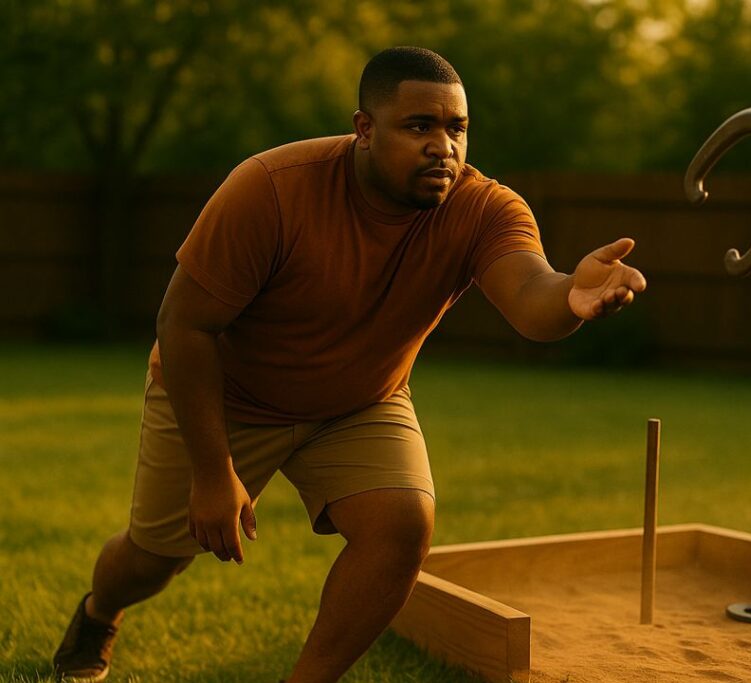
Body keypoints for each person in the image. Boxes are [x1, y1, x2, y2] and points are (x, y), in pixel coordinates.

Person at [53, 46, 647, 683]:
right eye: (419, 126)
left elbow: (534, 303)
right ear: (364, 129)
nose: (443, 146)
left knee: (402, 522)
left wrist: (572, 297)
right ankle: (99, 612)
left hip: (361, 402)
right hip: (227, 395)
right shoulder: (272, 188)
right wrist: (211, 471)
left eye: (457, 129)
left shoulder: (485, 209)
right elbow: (185, 324)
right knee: (152, 559)